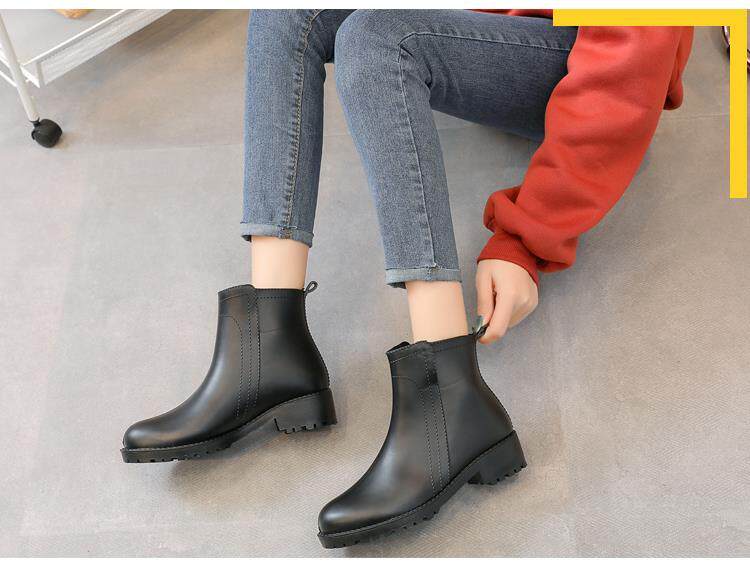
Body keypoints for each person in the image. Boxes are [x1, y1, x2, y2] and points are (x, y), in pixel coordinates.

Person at [121, 9, 693, 548]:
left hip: (582, 60)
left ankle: (448, 396)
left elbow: (624, 77)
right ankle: (269, 347)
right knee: (287, 9)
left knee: (377, 40)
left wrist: (525, 238)